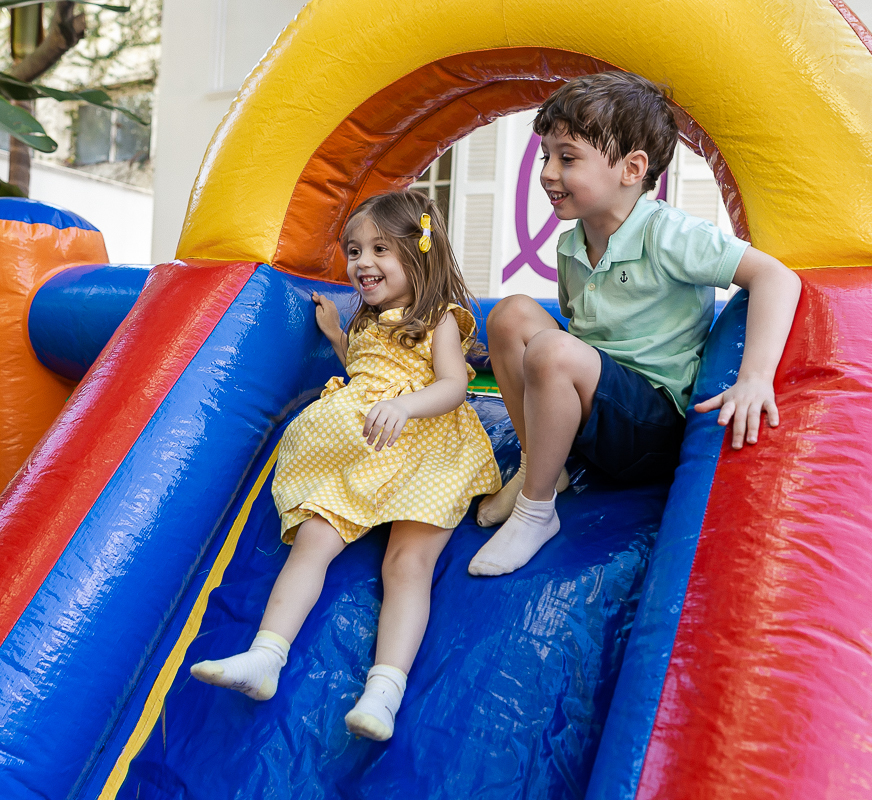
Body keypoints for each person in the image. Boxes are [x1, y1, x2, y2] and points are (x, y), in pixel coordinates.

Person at [190, 191, 501, 741]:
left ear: (420, 254)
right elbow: (366, 371)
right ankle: (266, 655)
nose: (361, 262)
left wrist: (406, 404)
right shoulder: (365, 323)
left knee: (407, 564)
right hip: (362, 452)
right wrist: (337, 335)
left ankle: (384, 692)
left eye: (380, 248)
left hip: (426, 449)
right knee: (314, 538)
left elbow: (455, 385)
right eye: (354, 251)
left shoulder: (438, 320)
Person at [468, 71, 801, 577]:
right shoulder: (571, 244)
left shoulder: (668, 233)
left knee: (552, 352)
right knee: (510, 313)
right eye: (545, 156)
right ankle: (544, 465)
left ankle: (535, 514)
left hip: (651, 427)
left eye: (567, 157)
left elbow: (776, 277)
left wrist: (754, 378)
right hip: (595, 410)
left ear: (632, 168)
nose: (547, 173)